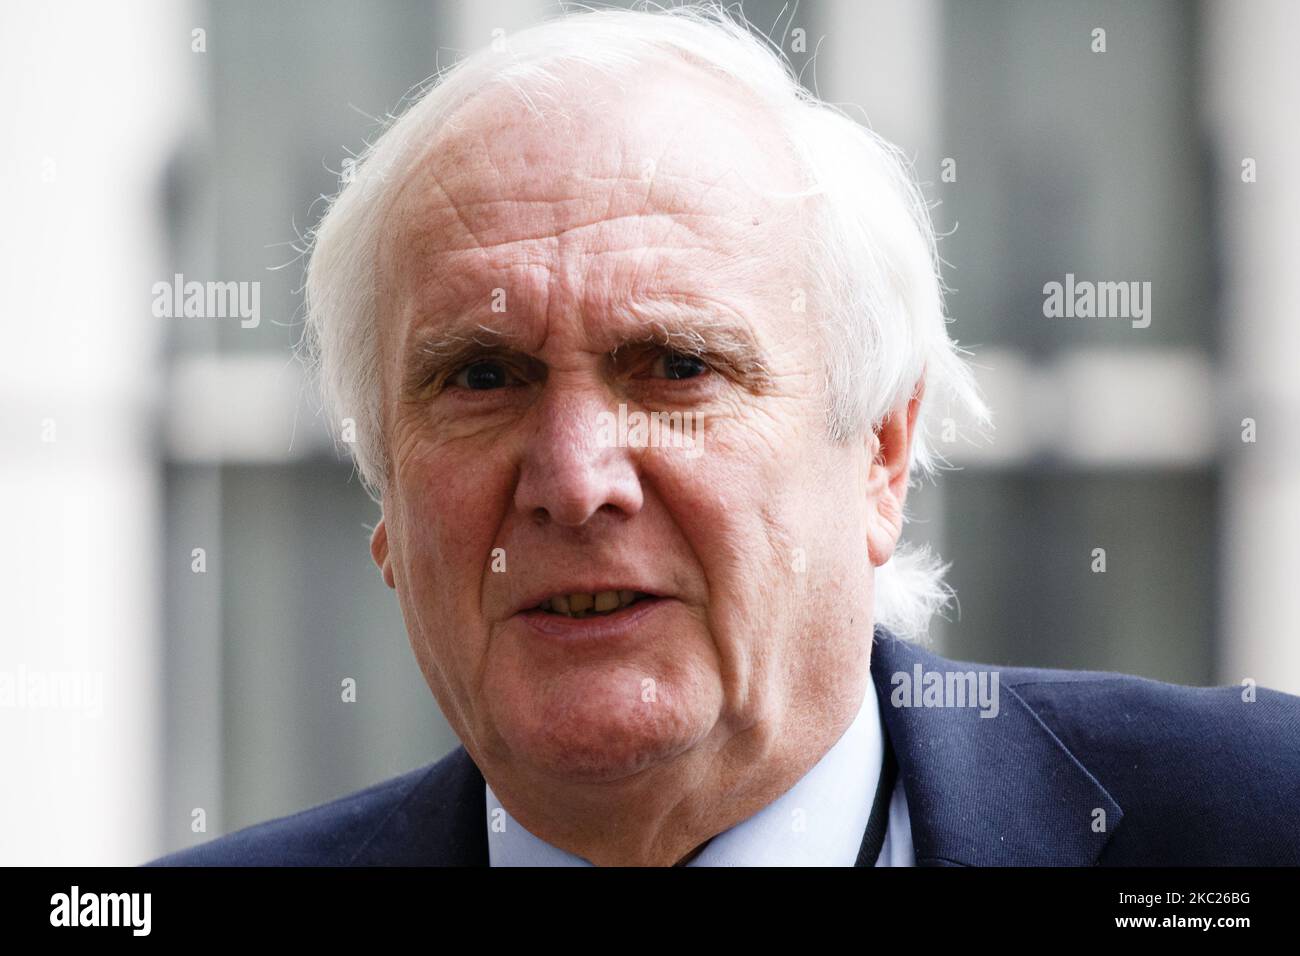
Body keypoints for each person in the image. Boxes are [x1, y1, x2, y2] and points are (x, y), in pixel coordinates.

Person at [148, 3, 1300, 867]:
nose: (573, 479)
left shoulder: (1252, 822)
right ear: (386, 504)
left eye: (675, 367)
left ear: (882, 456)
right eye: (482, 375)